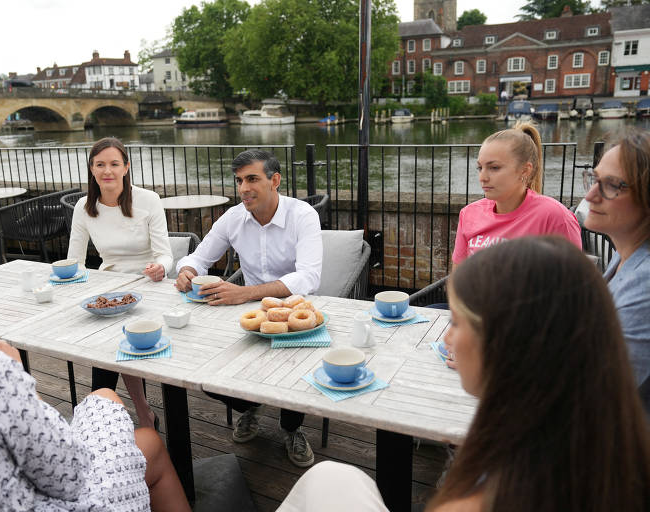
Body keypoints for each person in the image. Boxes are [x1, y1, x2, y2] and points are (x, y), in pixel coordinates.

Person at [277, 237, 650, 511]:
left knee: (329, 477)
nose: (447, 337)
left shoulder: (496, 491)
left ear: (508, 339)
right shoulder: (590, 439)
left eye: (456, 322)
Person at [0, 209, 191, 512]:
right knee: (143, 436)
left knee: (104, 397)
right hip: (53, 497)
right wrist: (15, 377)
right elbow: (70, 476)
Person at [175, 149, 322, 467]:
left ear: (275, 181)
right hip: (246, 311)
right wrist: (186, 271)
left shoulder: (303, 215)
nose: (243, 188)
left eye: (252, 179)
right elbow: (199, 258)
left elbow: (309, 275)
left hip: (297, 308)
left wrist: (245, 292)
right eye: (239, 180)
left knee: (294, 372)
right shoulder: (233, 218)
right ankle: (250, 406)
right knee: (201, 370)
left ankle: (291, 427)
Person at [67, 137, 174, 430]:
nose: (107, 171)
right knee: (108, 341)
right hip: (109, 290)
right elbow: (75, 262)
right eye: (100, 164)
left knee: (116, 344)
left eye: (114, 164)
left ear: (126, 167)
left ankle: (104, 417)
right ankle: (137, 413)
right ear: (91, 169)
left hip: (149, 286)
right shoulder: (84, 207)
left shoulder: (148, 200)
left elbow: (165, 254)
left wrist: (160, 268)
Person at [583, 129, 650, 411]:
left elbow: (595, 392)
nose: (590, 195)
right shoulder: (624, 256)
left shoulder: (644, 284)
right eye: (594, 179)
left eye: (612, 185)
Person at [452, 123, 581, 265]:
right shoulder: (469, 214)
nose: (482, 177)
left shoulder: (555, 217)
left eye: (494, 168)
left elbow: (573, 281)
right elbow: (457, 279)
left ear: (525, 170)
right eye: (480, 167)